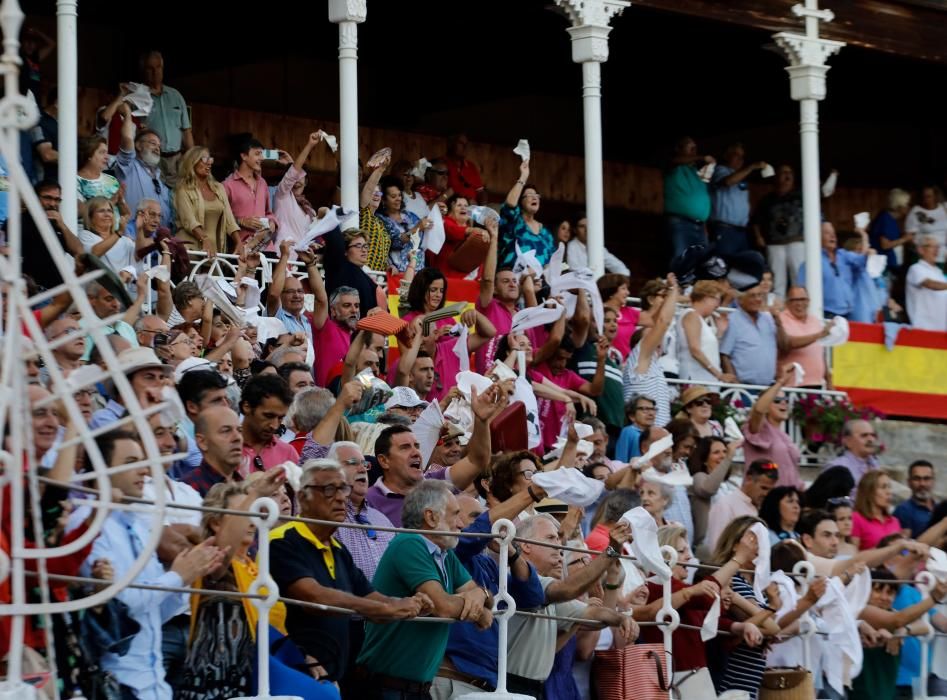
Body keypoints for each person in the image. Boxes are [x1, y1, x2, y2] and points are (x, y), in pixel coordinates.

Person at [69, 430, 225, 700]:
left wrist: (186, 576)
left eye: (143, 460)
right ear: (104, 468)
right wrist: (177, 576)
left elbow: (156, 614)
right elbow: (122, 606)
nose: (144, 470)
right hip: (115, 683)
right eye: (132, 461)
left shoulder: (138, 525)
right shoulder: (86, 524)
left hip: (153, 685)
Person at [270, 459, 433, 691]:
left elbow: (371, 597)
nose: (340, 497)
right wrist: (386, 608)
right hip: (290, 670)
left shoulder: (337, 549)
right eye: (328, 490)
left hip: (332, 674)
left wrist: (408, 603)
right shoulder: (283, 540)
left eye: (342, 488)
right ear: (303, 497)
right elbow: (313, 597)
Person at [356, 481, 495, 697]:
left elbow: (486, 611)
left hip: (414, 688)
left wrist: (480, 593)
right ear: (430, 517)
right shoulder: (409, 543)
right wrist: (471, 602)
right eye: (455, 514)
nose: (460, 524)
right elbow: (443, 607)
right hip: (385, 687)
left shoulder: (445, 553)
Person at [506, 514, 638, 699]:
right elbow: (569, 590)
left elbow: (592, 615)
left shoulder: (546, 586)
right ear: (526, 545)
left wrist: (621, 618)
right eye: (550, 538)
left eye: (559, 539)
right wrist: (611, 550)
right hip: (510, 686)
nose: (559, 548)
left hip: (532, 689)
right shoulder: (515, 579)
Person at [402, 268, 495, 403]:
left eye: (441, 290)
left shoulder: (448, 319)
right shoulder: (409, 320)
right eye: (433, 290)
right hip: (422, 390)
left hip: (450, 377)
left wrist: (474, 314)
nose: (438, 295)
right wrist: (435, 336)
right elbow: (407, 359)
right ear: (421, 290)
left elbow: (488, 333)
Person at [623, 273, 679, 426]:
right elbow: (663, 322)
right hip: (644, 439)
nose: (656, 337)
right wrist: (673, 289)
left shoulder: (653, 366)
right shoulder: (640, 357)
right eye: (650, 335)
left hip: (657, 438)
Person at [741, 366, 803, 489]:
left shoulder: (785, 436)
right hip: (764, 499)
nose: (783, 403)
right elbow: (758, 410)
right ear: (767, 405)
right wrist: (780, 382)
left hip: (786, 499)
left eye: (785, 399)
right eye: (777, 400)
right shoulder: (759, 429)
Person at [114, 102, 172, 229]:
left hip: (158, 239)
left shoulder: (159, 177)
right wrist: (128, 115)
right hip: (133, 235)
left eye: (159, 146)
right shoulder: (129, 166)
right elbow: (127, 140)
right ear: (138, 146)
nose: (157, 148)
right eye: (152, 143)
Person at [173, 145, 240, 256]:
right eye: (204, 159)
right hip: (190, 249)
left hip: (215, 251)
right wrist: (204, 239)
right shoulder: (183, 189)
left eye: (210, 159)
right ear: (192, 162)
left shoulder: (219, 188)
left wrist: (238, 242)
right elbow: (189, 221)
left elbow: (230, 220)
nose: (209, 163)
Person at [140, 50, 194, 185]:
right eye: (150, 68)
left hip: (177, 160)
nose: (155, 72)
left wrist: (193, 159)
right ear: (144, 70)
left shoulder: (176, 96)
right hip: (151, 160)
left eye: (158, 67)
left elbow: (186, 131)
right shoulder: (138, 97)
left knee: (178, 199)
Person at [751, 164, 804, 298]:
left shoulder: (801, 196)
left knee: (799, 278)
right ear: (777, 177)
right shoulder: (767, 199)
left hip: (796, 241)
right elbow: (756, 220)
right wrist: (759, 237)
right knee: (777, 281)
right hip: (774, 243)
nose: (787, 175)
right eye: (783, 172)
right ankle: (777, 309)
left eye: (790, 172)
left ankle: (800, 303)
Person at [798, 222, 870, 319]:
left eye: (833, 233)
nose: (832, 236)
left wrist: (864, 236)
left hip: (849, 313)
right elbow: (802, 290)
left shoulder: (843, 255)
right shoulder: (812, 262)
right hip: (827, 314)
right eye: (827, 233)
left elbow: (862, 260)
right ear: (817, 237)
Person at [705, 459, 779, 553]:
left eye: (770, 490)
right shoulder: (726, 505)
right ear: (748, 479)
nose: (766, 494)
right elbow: (716, 548)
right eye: (763, 488)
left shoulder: (765, 508)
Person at [21, 180, 83, 292]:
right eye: (47, 198)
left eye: (57, 200)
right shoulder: (19, 222)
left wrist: (63, 226)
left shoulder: (57, 224)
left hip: (57, 291)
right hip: (31, 292)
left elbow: (79, 251)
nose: (52, 204)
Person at [721, 285, 786, 386]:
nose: (758, 299)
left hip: (767, 386)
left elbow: (784, 345)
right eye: (752, 296)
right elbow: (724, 354)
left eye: (760, 295)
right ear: (740, 300)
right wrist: (735, 384)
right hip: (744, 386)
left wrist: (778, 322)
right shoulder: (733, 320)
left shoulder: (768, 319)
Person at [709, 143, 767, 255]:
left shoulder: (741, 177)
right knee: (722, 266)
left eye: (742, 156)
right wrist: (751, 167)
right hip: (724, 229)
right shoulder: (720, 170)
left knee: (741, 268)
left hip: (741, 230)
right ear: (726, 156)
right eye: (736, 154)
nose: (740, 158)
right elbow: (727, 182)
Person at [688, 436, 742, 556]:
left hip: (729, 546)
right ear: (705, 460)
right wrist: (728, 458)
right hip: (709, 548)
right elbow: (708, 489)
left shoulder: (730, 484)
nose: (722, 455)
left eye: (724, 451)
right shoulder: (699, 477)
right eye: (716, 452)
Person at [497, 159, 554, 269]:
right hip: (514, 280)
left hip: (540, 283)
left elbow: (552, 261)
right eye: (529, 195)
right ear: (520, 201)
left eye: (537, 195)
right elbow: (510, 204)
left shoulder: (546, 233)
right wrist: (523, 176)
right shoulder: (514, 222)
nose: (534, 197)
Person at [664, 136, 713, 259]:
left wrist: (704, 224)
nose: (694, 149)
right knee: (682, 260)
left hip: (700, 225)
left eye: (695, 148)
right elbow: (674, 161)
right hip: (681, 222)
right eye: (689, 146)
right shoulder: (674, 165)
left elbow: (702, 200)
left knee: (701, 262)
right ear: (678, 149)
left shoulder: (696, 172)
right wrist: (702, 157)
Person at [224, 137, 278, 248]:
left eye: (262, 154)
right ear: (243, 156)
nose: (262, 158)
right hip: (241, 249)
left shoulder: (262, 183)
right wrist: (241, 221)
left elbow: (268, 212)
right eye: (257, 154)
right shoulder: (227, 185)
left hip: (266, 248)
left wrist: (272, 223)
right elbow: (221, 217)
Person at [240, 374, 299, 473]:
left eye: (280, 418)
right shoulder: (224, 448)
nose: (275, 426)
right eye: (268, 416)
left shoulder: (288, 453)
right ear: (247, 407)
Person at [677, 280, 732, 383]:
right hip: (695, 377)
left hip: (705, 377)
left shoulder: (700, 319)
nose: (718, 305)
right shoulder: (692, 315)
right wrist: (718, 374)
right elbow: (695, 349)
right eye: (717, 300)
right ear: (706, 298)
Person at [183, 406, 246, 496]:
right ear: (202, 442)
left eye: (240, 430)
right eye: (226, 431)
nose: (237, 438)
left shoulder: (244, 486)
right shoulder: (188, 491)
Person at [777, 286, 832, 388]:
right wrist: (818, 335)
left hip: (816, 384)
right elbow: (789, 343)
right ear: (787, 302)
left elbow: (821, 353)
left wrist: (828, 381)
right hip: (792, 385)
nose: (799, 304)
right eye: (795, 300)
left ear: (808, 301)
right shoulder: (781, 319)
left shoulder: (815, 321)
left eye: (803, 299)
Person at [375, 174, 429, 273]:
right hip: (398, 273)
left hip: (419, 272)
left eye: (399, 195)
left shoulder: (410, 215)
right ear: (383, 200)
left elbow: (422, 239)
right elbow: (395, 242)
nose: (398, 199)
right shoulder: (380, 219)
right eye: (393, 196)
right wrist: (416, 228)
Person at [428, 192, 487, 276]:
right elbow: (453, 232)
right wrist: (474, 230)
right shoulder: (445, 222)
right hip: (445, 276)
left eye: (466, 206)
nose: (463, 208)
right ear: (450, 210)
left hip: (467, 278)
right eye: (459, 205)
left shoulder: (471, 229)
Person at [78, 196, 135, 275]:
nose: (107, 214)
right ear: (90, 216)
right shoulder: (85, 235)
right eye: (101, 211)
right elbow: (93, 254)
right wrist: (119, 232)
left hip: (121, 286)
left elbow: (137, 263)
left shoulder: (125, 241)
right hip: (96, 286)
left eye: (110, 211)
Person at [851, 471, 902, 550]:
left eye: (889, 487)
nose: (889, 492)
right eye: (883, 487)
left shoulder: (894, 521)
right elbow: (852, 557)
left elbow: (902, 553)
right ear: (869, 491)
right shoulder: (856, 518)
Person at [905, 235, 947, 331]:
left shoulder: (939, 272)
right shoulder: (916, 268)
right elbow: (929, 284)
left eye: (938, 247)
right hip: (923, 327)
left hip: (941, 329)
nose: (936, 250)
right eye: (932, 246)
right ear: (921, 250)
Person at [565, 215, 629, 274]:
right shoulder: (571, 246)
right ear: (575, 230)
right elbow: (575, 270)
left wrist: (623, 278)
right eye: (582, 226)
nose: (586, 230)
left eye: (589, 226)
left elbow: (615, 264)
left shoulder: (596, 246)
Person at [869, 188, 913, 274]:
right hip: (883, 267)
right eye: (907, 204)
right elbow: (885, 245)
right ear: (899, 206)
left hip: (888, 265)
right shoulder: (886, 219)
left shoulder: (890, 219)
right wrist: (905, 239)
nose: (909, 207)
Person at [824, 419, 881, 485]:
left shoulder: (875, 464)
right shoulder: (837, 468)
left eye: (873, 435)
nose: (871, 439)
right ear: (848, 441)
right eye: (864, 435)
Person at [597, 273, 640, 361]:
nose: (628, 293)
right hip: (604, 362)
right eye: (623, 288)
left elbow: (655, 319)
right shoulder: (596, 312)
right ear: (611, 291)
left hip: (626, 366)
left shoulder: (629, 311)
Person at [904, 185, 947, 265]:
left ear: (935, 196)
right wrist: (920, 251)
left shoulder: (944, 207)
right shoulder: (916, 211)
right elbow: (909, 236)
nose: (926, 200)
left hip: (942, 255)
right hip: (924, 256)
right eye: (924, 197)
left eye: (929, 196)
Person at [77, 135, 121, 210]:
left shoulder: (112, 180)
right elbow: (78, 211)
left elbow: (124, 212)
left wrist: (122, 203)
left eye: (106, 153)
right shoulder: (75, 181)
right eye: (102, 152)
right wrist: (110, 202)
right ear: (89, 154)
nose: (107, 157)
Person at [894, 460, 936, 538]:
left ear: (933, 481)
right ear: (909, 482)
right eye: (917, 479)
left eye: (926, 479)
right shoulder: (903, 510)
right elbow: (903, 546)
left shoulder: (940, 508)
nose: (922, 484)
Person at [443, 133, 487, 204]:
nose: (465, 147)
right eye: (461, 143)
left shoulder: (471, 166)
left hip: (473, 209)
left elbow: (480, 191)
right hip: (454, 207)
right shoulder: (442, 164)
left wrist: (483, 206)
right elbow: (442, 194)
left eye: (466, 144)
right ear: (451, 144)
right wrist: (467, 201)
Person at [614, 393, 658, 462]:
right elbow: (621, 461)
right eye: (644, 409)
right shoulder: (628, 432)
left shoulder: (656, 434)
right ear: (632, 416)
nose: (651, 413)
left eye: (653, 409)